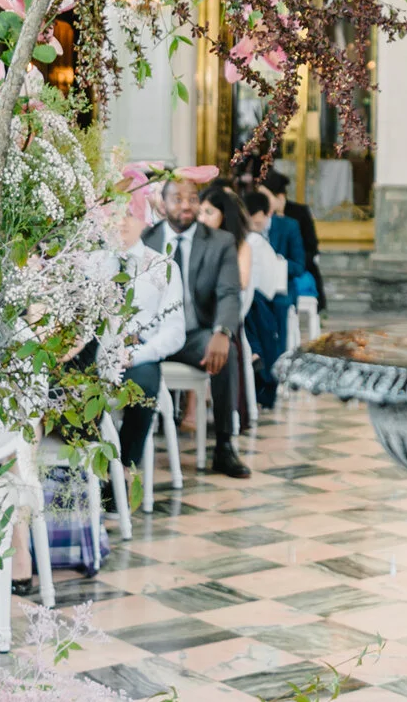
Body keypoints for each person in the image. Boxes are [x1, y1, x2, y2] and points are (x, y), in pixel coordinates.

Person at [140, 176, 250, 478]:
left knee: (227, 353)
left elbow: (229, 292)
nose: (186, 205)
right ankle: (128, 451)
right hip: (153, 333)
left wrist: (221, 332)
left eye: (192, 198)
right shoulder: (145, 239)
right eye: (178, 198)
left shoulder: (219, 242)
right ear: (164, 204)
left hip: (194, 336)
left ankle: (225, 445)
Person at [107, 195, 194, 474]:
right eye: (115, 213)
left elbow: (174, 331)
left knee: (142, 391)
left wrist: (136, 355)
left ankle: (122, 473)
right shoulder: (90, 263)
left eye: (129, 214)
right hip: (93, 349)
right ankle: (87, 473)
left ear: (145, 221)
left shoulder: (163, 266)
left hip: (138, 351)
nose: (120, 221)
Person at [238, 188, 293, 409]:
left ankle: (254, 357)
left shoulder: (252, 241)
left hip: (259, 302)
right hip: (259, 301)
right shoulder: (253, 240)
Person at [263, 169, 323, 311]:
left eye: (266, 196)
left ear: (280, 197)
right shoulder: (261, 216)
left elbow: (311, 247)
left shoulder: (299, 213)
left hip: (296, 269)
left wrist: (289, 264)